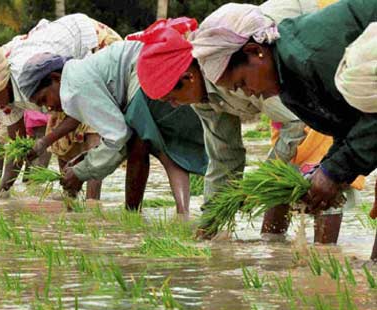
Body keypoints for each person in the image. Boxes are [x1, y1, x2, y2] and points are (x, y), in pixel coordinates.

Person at [128, 1, 361, 242]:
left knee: (317, 168)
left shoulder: (232, 65)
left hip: (315, 55)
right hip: (282, 89)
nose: (174, 106)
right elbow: (224, 158)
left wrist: (260, 181)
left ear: (188, 77)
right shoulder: (203, 96)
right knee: (281, 177)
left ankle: (324, 260)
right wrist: (210, 223)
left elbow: (295, 123)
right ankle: (274, 251)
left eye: (171, 99)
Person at [190, 0, 376, 237]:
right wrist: (329, 170)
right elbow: (347, 127)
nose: (248, 93)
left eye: (242, 83)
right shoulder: (288, 85)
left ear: (255, 52)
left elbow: (372, 118)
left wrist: (333, 173)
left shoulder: (310, 59)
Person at [19, 40, 207, 214]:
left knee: (140, 144)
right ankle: (183, 215)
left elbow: (118, 136)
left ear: (55, 78)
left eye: (44, 99)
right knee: (167, 152)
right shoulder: (75, 77)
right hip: (149, 66)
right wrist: (84, 161)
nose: (48, 108)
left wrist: (81, 172)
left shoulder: (74, 88)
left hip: (143, 74)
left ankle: (133, 213)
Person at [0, 14, 121, 198]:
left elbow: (80, 110)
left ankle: (92, 203)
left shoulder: (30, 70)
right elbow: (17, 144)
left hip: (93, 44)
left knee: (92, 126)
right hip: (62, 79)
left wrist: (43, 142)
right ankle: (71, 196)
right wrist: (2, 194)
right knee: (60, 142)